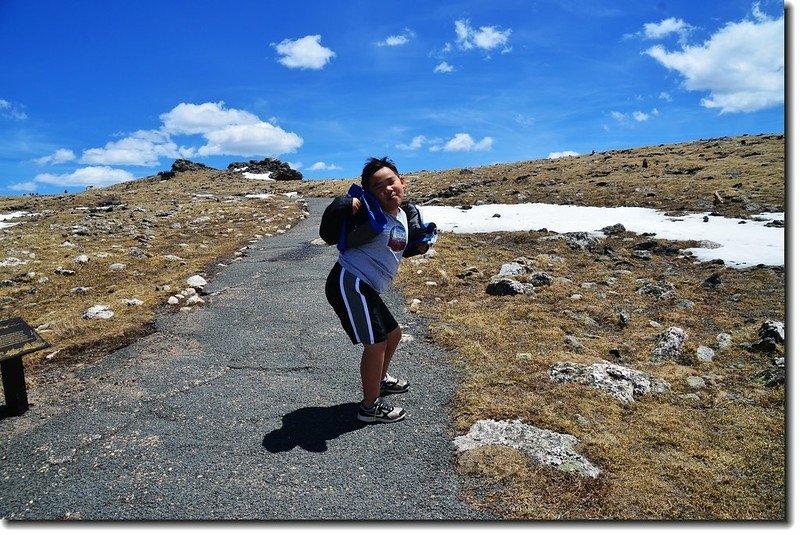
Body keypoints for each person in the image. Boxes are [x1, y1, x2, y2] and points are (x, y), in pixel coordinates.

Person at [321, 156, 437, 423]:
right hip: (350, 282)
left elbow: (394, 248)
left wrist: (416, 248)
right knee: (376, 342)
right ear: (369, 193)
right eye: (378, 186)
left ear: (402, 181)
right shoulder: (366, 213)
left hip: (367, 285)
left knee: (393, 334)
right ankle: (369, 406)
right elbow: (329, 231)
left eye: (391, 181)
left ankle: (380, 380)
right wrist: (344, 204)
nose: (388, 189)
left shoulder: (404, 216)